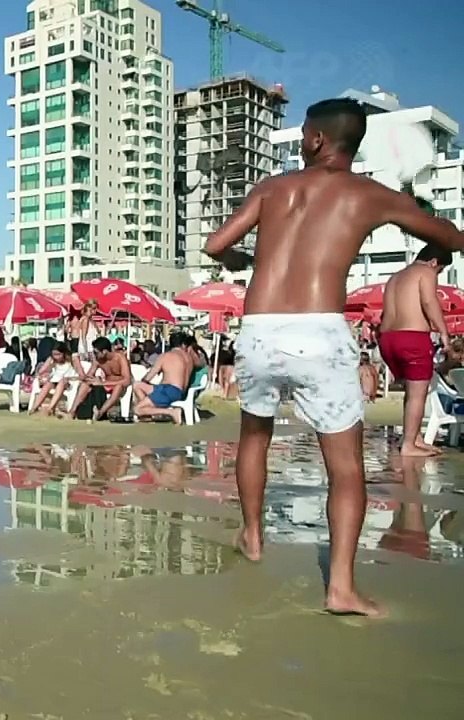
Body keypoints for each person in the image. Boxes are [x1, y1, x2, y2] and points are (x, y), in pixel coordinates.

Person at [203, 97, 464, 618]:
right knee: (345, 468)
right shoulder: (370, 195)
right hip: (319, 331)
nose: (302, 141)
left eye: (303, 133)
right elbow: (451, 238)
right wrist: (416, 213)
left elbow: (215, 246)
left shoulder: (273, 188)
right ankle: (340, 587)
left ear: (318, 139)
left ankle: (252, 535)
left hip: (258, 328)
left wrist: (241, 258)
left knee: (255, 435)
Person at [378, 244, 459, 456]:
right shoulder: (425, 271)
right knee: (417, 395)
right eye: (440, 270)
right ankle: (408, 445)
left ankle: (414, 438)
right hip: (412, 338)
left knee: (411, 391)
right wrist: (444, 334)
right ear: (434, 262)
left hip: (387, 339)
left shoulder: (395, 277)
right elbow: (429, 301)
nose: (438, 274)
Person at [132, 334, 196, 424]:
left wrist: (145, 383)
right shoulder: (189, 358)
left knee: (137, 409)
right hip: (181, 392)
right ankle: (147, 414)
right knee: (137, 385)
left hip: (168, 391)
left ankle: (171, 412)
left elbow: (149, 376)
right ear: (183, 344)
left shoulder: (166, 356)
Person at [67, 337, 131, 421]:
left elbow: (127, 380)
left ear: (104, 352)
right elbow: (89, 376)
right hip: (106, 384)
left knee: (119, 386)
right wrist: (90, 379)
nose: (94, 355)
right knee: (85, 384)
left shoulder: (120, 358)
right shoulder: (98, 360)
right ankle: (72, 411)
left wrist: (102, 383)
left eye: (96, 352)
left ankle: (100, 413)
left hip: (119, 385)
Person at [27, 341, 78, 415]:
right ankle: (34, 407)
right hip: (55, 380)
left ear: (64, 353)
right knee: (47, 384)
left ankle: (50, 408)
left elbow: (81, 376)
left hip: (69, 382)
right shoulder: (52, 359)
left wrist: (69, 378)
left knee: (61, 382)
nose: (56, 357)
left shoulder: (72, 359)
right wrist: (43, 375)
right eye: (54, 354)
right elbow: (41, 371)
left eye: (58, 354)